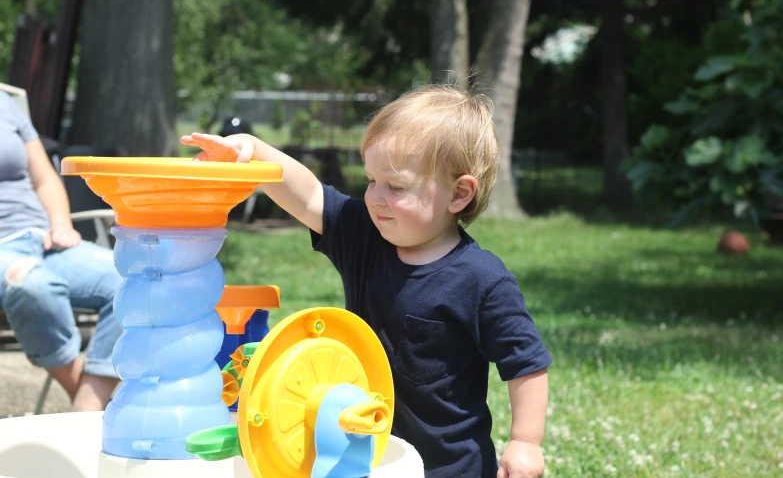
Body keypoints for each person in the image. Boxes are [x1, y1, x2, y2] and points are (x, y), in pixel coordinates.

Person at [182, 84, 551, 478]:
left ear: (458, 194)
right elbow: (307, 195)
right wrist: (253, 149)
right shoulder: (364, 236)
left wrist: (525, 441)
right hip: (362, 452)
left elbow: (526, 364)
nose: (375, 196)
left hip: (449, 466)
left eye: (396, 187)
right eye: (371, 180)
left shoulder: (482, 280)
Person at [0, 91, 122, 412]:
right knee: (31, 285)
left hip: (45, 238)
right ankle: (92, 407)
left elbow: (44, 179)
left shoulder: (5, 103)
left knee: (133, 276)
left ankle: (88, 405)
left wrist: (60, 223)